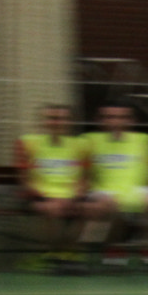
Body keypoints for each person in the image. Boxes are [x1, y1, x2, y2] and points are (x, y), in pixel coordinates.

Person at [82, 104, 148, 271]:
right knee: (108, 203)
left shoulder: (145, 140)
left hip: (136, 189)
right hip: (103, 189)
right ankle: (114, 248)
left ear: (132, 120)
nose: (116, 122)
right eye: (110, 117)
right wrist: (82, 194)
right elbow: (80, 171)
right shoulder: (88, 141)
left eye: (122, 117)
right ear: (100, 120)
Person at [14, 103, 90, 272]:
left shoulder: (81, 145)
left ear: (70, 122)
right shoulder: (28, 143)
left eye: (62, 119)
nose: (57, 122)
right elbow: (25, 179)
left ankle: (69, 254)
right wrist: (47, 198)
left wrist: (75, 197)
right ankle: (51, 255)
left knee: (86, 208)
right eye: (52, 118)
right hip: (38, 197)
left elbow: (85, 179)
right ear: (43, 121)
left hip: (70, 198)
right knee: (52, 209)